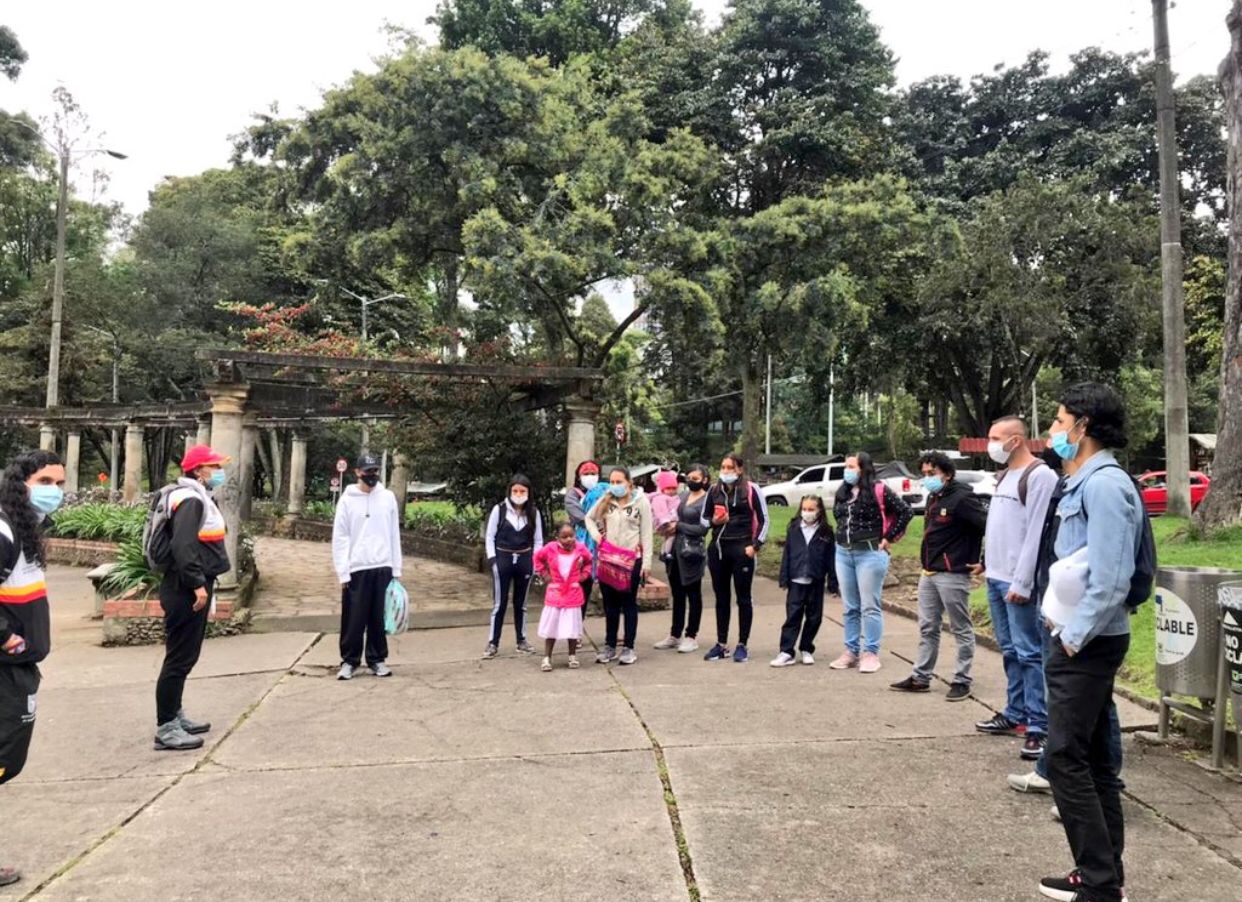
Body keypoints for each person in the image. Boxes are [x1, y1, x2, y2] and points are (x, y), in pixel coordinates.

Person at [1035, 383, 1142, 902]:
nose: (1053, 431)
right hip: (1081, 637)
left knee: (1063, 758)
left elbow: (1112, 578)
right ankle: (1103, 877)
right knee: (1095, 760)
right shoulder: (1082, 479)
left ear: (1083, 426)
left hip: (1088, 642)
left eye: (1059, 421)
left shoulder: (1105, 486)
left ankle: (1099, 882)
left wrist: (1074, 639)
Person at [974, 416, 1058, 762]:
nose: (990, 444)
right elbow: (1001, 527)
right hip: (996, 575)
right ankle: (1016, 711)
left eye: (996, 438)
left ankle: (1039, 725)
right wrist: (985, 562)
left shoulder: (1039, 477)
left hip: (1018, 581)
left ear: (1017, 440)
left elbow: (1036, 534)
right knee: (1009, 650)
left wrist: (1023, 582)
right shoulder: (1005, 475)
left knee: (1029, 652)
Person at [0, 450, 65, 887]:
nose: (54, 491)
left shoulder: (22, 528)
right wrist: (5, 636)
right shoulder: (4, 530)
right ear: (20, 482)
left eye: (60, 483)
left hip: (17, 663)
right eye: (45, 481)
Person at [152, 445, 231, 750]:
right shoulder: (190, 500)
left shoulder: (196, 496)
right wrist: (197, 584)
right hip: (185, 589)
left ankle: (175, 713)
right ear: (199, 470)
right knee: (179, 658)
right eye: (215, 466)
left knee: (185, 655)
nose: (219, 471)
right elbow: (183, 547)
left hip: (187, 585)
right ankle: (166, 727)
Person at [890, 451, 987, 701]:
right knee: (927, 626)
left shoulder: (963, 498)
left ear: (948, 473)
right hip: (929, 571)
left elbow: (988, 527)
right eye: (923, 474)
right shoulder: (935, 496)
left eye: (932, 473)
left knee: (960, 627)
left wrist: (985, 561)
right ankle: (921, 676)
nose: (927, 478)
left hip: (953, 572)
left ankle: (962, 679)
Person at [829, 452, 913, 674]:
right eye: (846, 466)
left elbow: (906, 511)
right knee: (850, 607)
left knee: (869, 606)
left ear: (863, 468)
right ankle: (851, 650)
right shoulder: (843, 492)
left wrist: (888, 537)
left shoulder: (879, 489)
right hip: (843, 553)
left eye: (851, 466)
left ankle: (871, 652)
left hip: (869, 553)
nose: (846, 470)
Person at [332, 452, 404, 681]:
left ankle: (377, 659)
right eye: (367, 471)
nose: (371, 475)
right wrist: (343, 571)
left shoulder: (388, 497)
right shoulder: (347, 500)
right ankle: (349, 661)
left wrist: (396, 569)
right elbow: (340, 537)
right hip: (356, 567)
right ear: (357, 472)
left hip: (383, 564)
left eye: (374, 471)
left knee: (378, 617)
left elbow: (394, 533)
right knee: (354, 618)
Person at [701, 454, 769, 663]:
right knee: (721, 598)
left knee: (743, 598)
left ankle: (742, 644)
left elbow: (765, 519)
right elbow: (703, 521)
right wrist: (714, 520)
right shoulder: (714, 491)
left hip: (742, 548)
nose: (725, 471)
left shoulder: (750, 489)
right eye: (722, 467)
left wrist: (755, 546)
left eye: (730, 467)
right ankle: (722, 644)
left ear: (739, 469)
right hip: (719, 549)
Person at [586, 466, 652, 665]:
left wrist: (646, 563)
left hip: (631, 560)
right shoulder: (607, 500)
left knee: (628, 603)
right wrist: (597, 536)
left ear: (629, 483)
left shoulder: (641, 502)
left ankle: (629, 647)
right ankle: (610, 645)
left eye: (619, 482)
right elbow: (588, 518)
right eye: (612, 482)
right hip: (608, 559)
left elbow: (647, 533)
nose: (615, 486)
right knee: (610, 604)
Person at [771, 495, 839, 667]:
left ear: (819, 511)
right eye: (804, 509)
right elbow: (788, 553)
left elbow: (831, 558)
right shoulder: (794, 528)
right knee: (793, 616)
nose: (807, 513)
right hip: (796, 580)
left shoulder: (826, 532)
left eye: (811, 509)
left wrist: (833, 582)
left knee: (814, 617)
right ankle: (786, 651)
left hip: (815, 580)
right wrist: (784, 577)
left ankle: (806, 647)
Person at [482, 475, 544, 659]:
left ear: (528, 493)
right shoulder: (499, 510)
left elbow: (538, 539)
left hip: (524, 560)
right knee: (499, 603)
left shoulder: (533, 512)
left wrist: (535, 560)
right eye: (515, 491)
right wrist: (493, 559)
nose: (518, 494)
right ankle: (493, 642)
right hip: (502, 559)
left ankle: (522, 640)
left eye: (522, 491)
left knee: (521, 604)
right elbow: (490, 536)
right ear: (509, 492)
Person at [653, 463, 710, 653]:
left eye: (696, 478)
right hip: (675, 550)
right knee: (677, 594)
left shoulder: (706, 501)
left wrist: (679, 527)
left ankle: (691, 635)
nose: (691, 481)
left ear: (705, 480)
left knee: (693, 594)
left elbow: (702, 529)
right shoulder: (682, 496)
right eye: (689, 478)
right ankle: (675, 634)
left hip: (692, 552)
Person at [534, 523, 592, 671]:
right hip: (556, 592)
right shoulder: (550, 548)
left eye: (571, 536)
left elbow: (589, 561)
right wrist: (545, 574)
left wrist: (584, 575)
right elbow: (537, 558)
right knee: (552, 626)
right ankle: (547, 657)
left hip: (572, 593)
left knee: (572, 627)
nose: (569, 539)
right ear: (557, 538)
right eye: (564, 536)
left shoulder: (580, 548)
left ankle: (572, 655)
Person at [565, 460, 602, 604]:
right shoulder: (573, 494)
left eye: (593, 473)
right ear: (579, 476)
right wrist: (598, 523)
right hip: (581, 545)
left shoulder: (605, 491)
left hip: (602, 543)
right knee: (580, 585)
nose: (590, 476)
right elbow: (579, 517)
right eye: (586, 474)